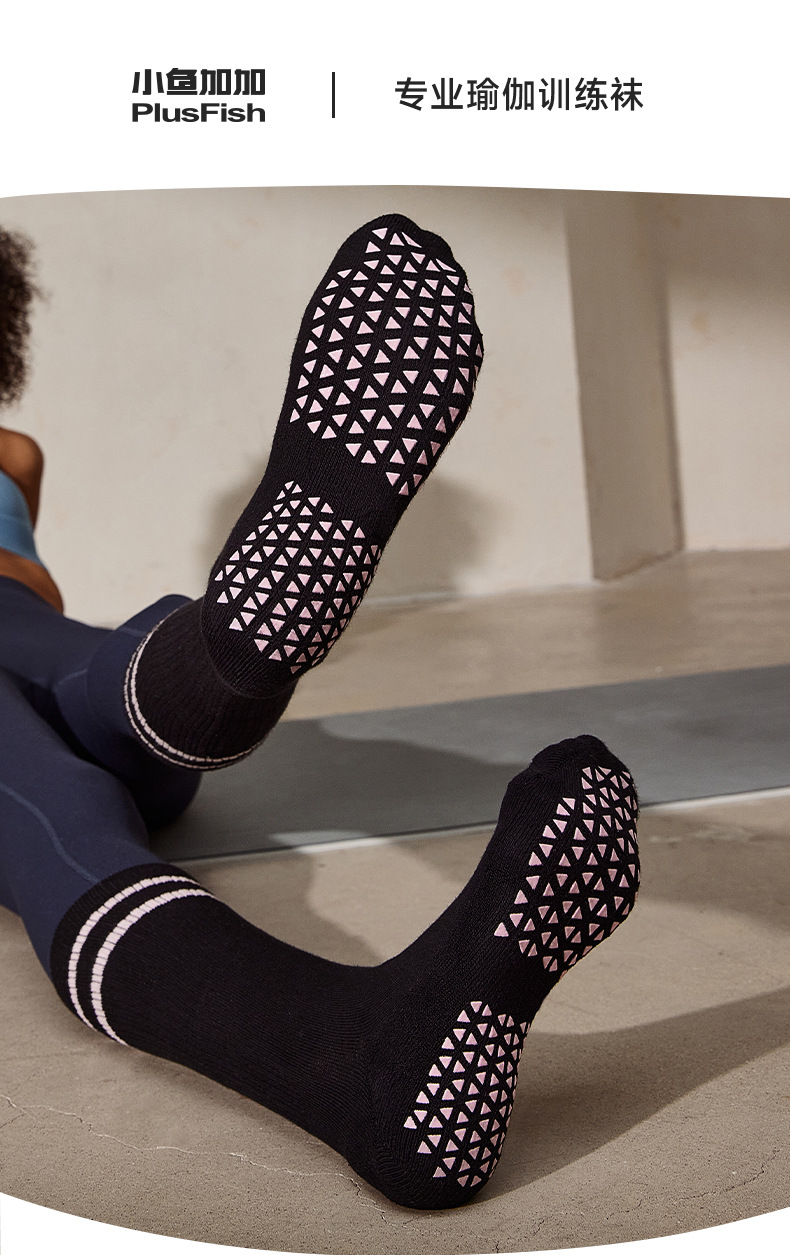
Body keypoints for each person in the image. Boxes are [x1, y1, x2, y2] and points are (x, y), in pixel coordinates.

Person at [0, 214, 640, 1211]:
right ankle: (223, 658)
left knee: (57, 700)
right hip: (109, 738)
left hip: (94, 713)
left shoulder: (14, 452)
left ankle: (221, 659)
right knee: (64, 793)